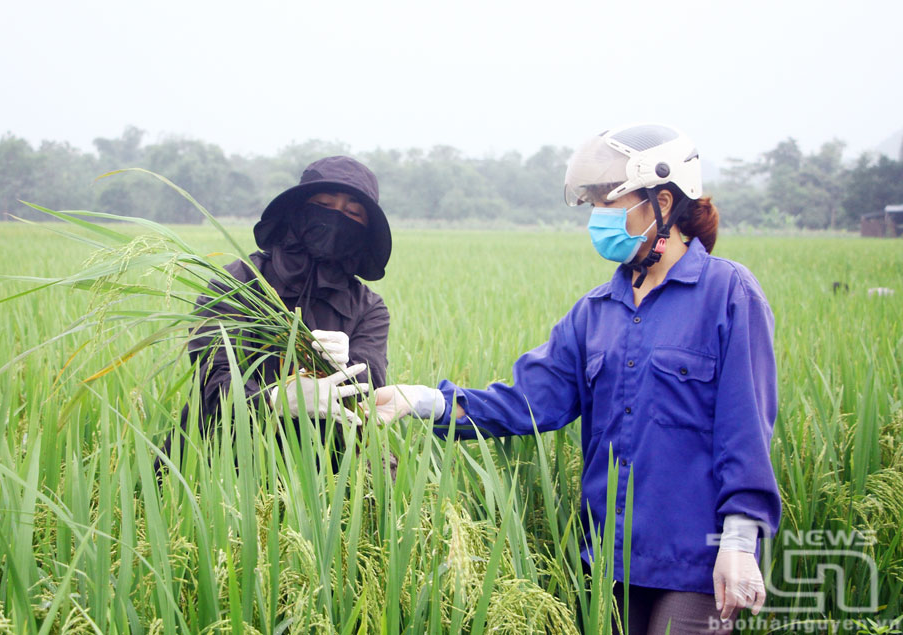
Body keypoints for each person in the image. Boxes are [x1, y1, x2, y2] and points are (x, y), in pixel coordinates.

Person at [374, 123, 781, 634]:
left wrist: (740, 543)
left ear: (663, 201)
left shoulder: (728, 294)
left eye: (610, 202)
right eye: (593, 204)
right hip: (608, 560)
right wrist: (422, 400)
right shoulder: (595, 312)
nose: (598, 217)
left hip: (696, 564)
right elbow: (527, 401)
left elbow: (746, 428)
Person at [159, 155, 391, 468]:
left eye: (351, 213)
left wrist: (340, 365)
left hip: (324, 465)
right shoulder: (237, 285)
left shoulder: (368, 308)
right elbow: (213, 382)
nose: (335, 219)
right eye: (324, 205)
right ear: (298, 211)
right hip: (221, 457)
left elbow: (368, 386)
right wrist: (275, 400)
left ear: (363, 231)